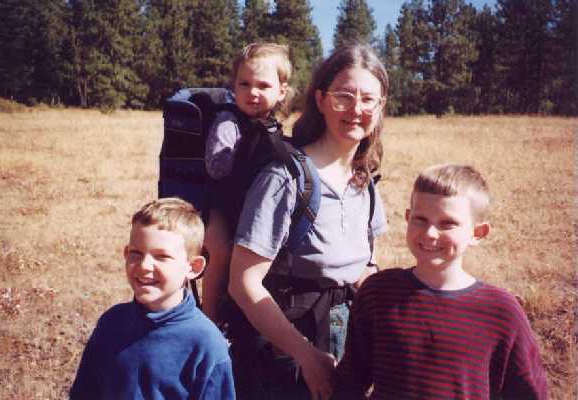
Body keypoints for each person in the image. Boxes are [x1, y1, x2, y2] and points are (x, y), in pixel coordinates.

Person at [227, 43, 389, 400]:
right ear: (320, 99)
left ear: (380, 108)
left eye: (368, 100)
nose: (356, 109)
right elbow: (243, 283)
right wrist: (306, 356)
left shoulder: (365, 178)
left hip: (344, 338)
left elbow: (366, 265)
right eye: (343, 96)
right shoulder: (285, 178)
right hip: (284, 356)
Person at [335, 163, 548, 399]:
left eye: (447, 223)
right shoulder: (378, 293)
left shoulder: (502, 312)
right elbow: (350, 381)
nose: (430, 233)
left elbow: (528, 393)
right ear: (408, 218)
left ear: (477, 233)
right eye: (420, 219)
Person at [69, 198, 235, 400]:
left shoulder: (205, 346)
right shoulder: (111, 324)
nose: (144, 265)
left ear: (193, 268)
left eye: (161, 257)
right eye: (136, 254)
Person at [201, 42, 292, 323]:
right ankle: (209, 316)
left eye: (263, 86)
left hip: (253, 204)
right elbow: (215, 168)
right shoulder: (229, 122)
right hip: (221, 204)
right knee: (221, 250)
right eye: (244, 84)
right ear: (234, 86)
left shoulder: (274, 126)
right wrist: (242, 154)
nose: (252, 92)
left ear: (281, 92)